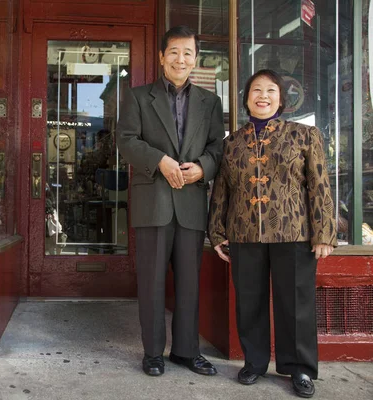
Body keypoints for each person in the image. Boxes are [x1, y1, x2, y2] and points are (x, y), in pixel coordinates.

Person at [208, 69, 336, 398]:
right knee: (249, 302)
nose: (262, 95)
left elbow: (319, 186)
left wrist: (323, 232)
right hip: (244, 232)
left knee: (297, 304)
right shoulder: (232, 143)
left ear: (281, 99)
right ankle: (254, 362)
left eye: (270, 90)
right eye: (256, 90)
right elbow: (222, 190)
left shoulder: (304, 136)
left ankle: (300, 369)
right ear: (246, 97)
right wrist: (218, 231)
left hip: (294, 233)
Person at [116, 25, 224, 377]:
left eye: (188, 53)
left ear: (195, 60)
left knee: (189, 283)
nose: (181, 59)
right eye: (174, 52)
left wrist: (203, 169)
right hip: (154, 201)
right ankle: (152, 353)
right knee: (152, 282)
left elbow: (217, 149)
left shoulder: (211, 102)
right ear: (162, 57)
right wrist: (160, 161)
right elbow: (126, 141)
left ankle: (186, 351)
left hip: (192, 201)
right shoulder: (137, 97)